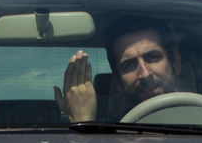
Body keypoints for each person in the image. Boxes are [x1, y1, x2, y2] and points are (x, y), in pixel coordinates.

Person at [54, 18, 184, 122]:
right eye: (129, 65)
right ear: (117, 81)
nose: (145, 74)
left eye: (152, 58)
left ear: (175, 63)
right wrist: (82, 122)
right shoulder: (110, 134)